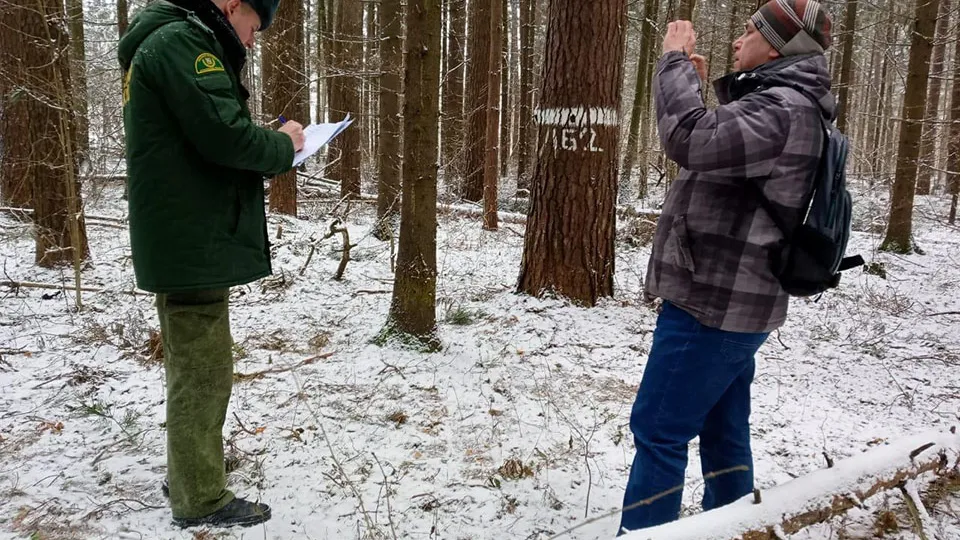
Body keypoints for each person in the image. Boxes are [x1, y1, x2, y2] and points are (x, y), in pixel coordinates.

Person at [620, 0, 834, 533]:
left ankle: (644, 533)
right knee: (723, 429)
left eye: (750, 31)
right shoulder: (788, 104)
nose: (738, 40)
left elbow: (688, 139)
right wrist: (693, 88)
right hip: (739, 301)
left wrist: (671, 63)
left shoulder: (781, 109)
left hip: (712, 303)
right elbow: (718, 143)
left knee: (659, 430)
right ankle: (736, 528)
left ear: (779, 46)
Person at [118, 0, 305, 528]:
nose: (250, 41)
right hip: (190, 237)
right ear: (231, 5)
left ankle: (189, 471)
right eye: (252, 27)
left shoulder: (165, 43)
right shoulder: (183, 44)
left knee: (192, 362)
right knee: (203, 371)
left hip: (184, 233)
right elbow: (223, 136)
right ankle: (199, 496)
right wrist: (284, 145)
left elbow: (201, 132)